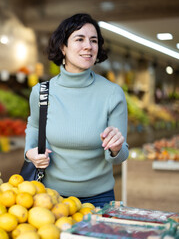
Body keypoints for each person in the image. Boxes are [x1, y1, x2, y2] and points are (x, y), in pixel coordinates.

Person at [24, 13, 129, 207]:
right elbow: (35, 126)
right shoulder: (42, 92)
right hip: (50, 197)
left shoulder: (112, 93)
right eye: (79, 39)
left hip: (99, 199)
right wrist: (29, 151)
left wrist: (115, 149)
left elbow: (120, 156)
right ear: (63, 47)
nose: (88, 46)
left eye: (93, 40)